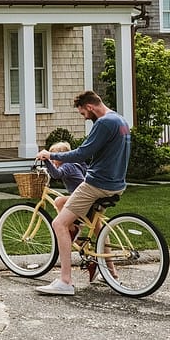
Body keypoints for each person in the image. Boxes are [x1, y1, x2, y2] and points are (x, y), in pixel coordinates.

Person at [33, 90, 131, 296]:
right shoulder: (120, 120)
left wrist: (50, 154)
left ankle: (65, 281)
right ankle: (110, 272)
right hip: (117, 184)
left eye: (83, 114)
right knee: (72, 209)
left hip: (97, 184)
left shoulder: (103, 123)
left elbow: (82, 153)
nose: (85, 118)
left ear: (89, 107)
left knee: (58, 224)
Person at [41, 141, 86, 211]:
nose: (52, 160)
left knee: (59, 201)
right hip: (82, 195)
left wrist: (46, 161)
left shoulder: (67, 165)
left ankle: (67, 222)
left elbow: (56, 175)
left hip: (81, 196)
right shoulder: (70, 164)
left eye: (53, 157)